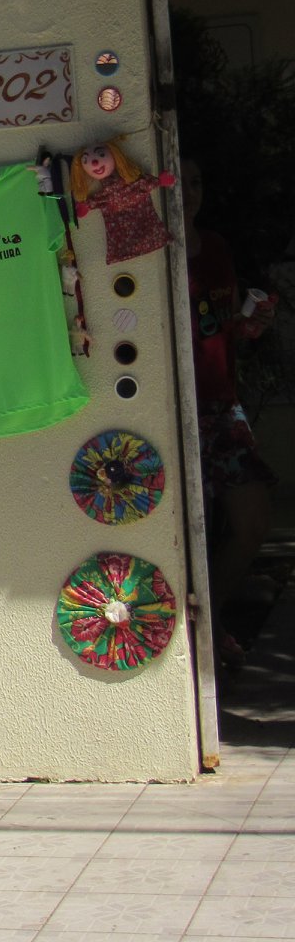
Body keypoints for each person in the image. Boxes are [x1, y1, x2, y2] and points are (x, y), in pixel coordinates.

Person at [182, 157, 277, 668]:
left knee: (252, 520)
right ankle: (198, 638)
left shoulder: (216, 246)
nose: (189, 190)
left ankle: (210, 620)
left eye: (197, 180)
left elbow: (227, 324)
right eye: (180, 180)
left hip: (223, 405)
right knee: (187, 533)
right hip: (181, 410)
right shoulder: (157, 251)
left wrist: (252, 323)